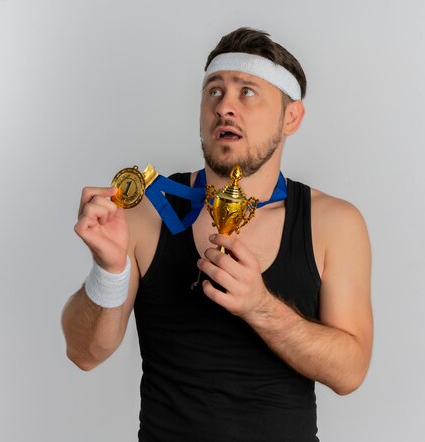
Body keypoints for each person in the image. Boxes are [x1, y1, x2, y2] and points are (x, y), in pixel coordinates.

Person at [62, 27, 373, 442]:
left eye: (247, 92)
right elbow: (84, 354)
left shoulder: (334, 224)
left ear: (291, 117)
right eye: (214, 91)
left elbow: (350, 372)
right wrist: (108, 271)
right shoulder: (146, 212)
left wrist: (260, 307)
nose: (225, 106)